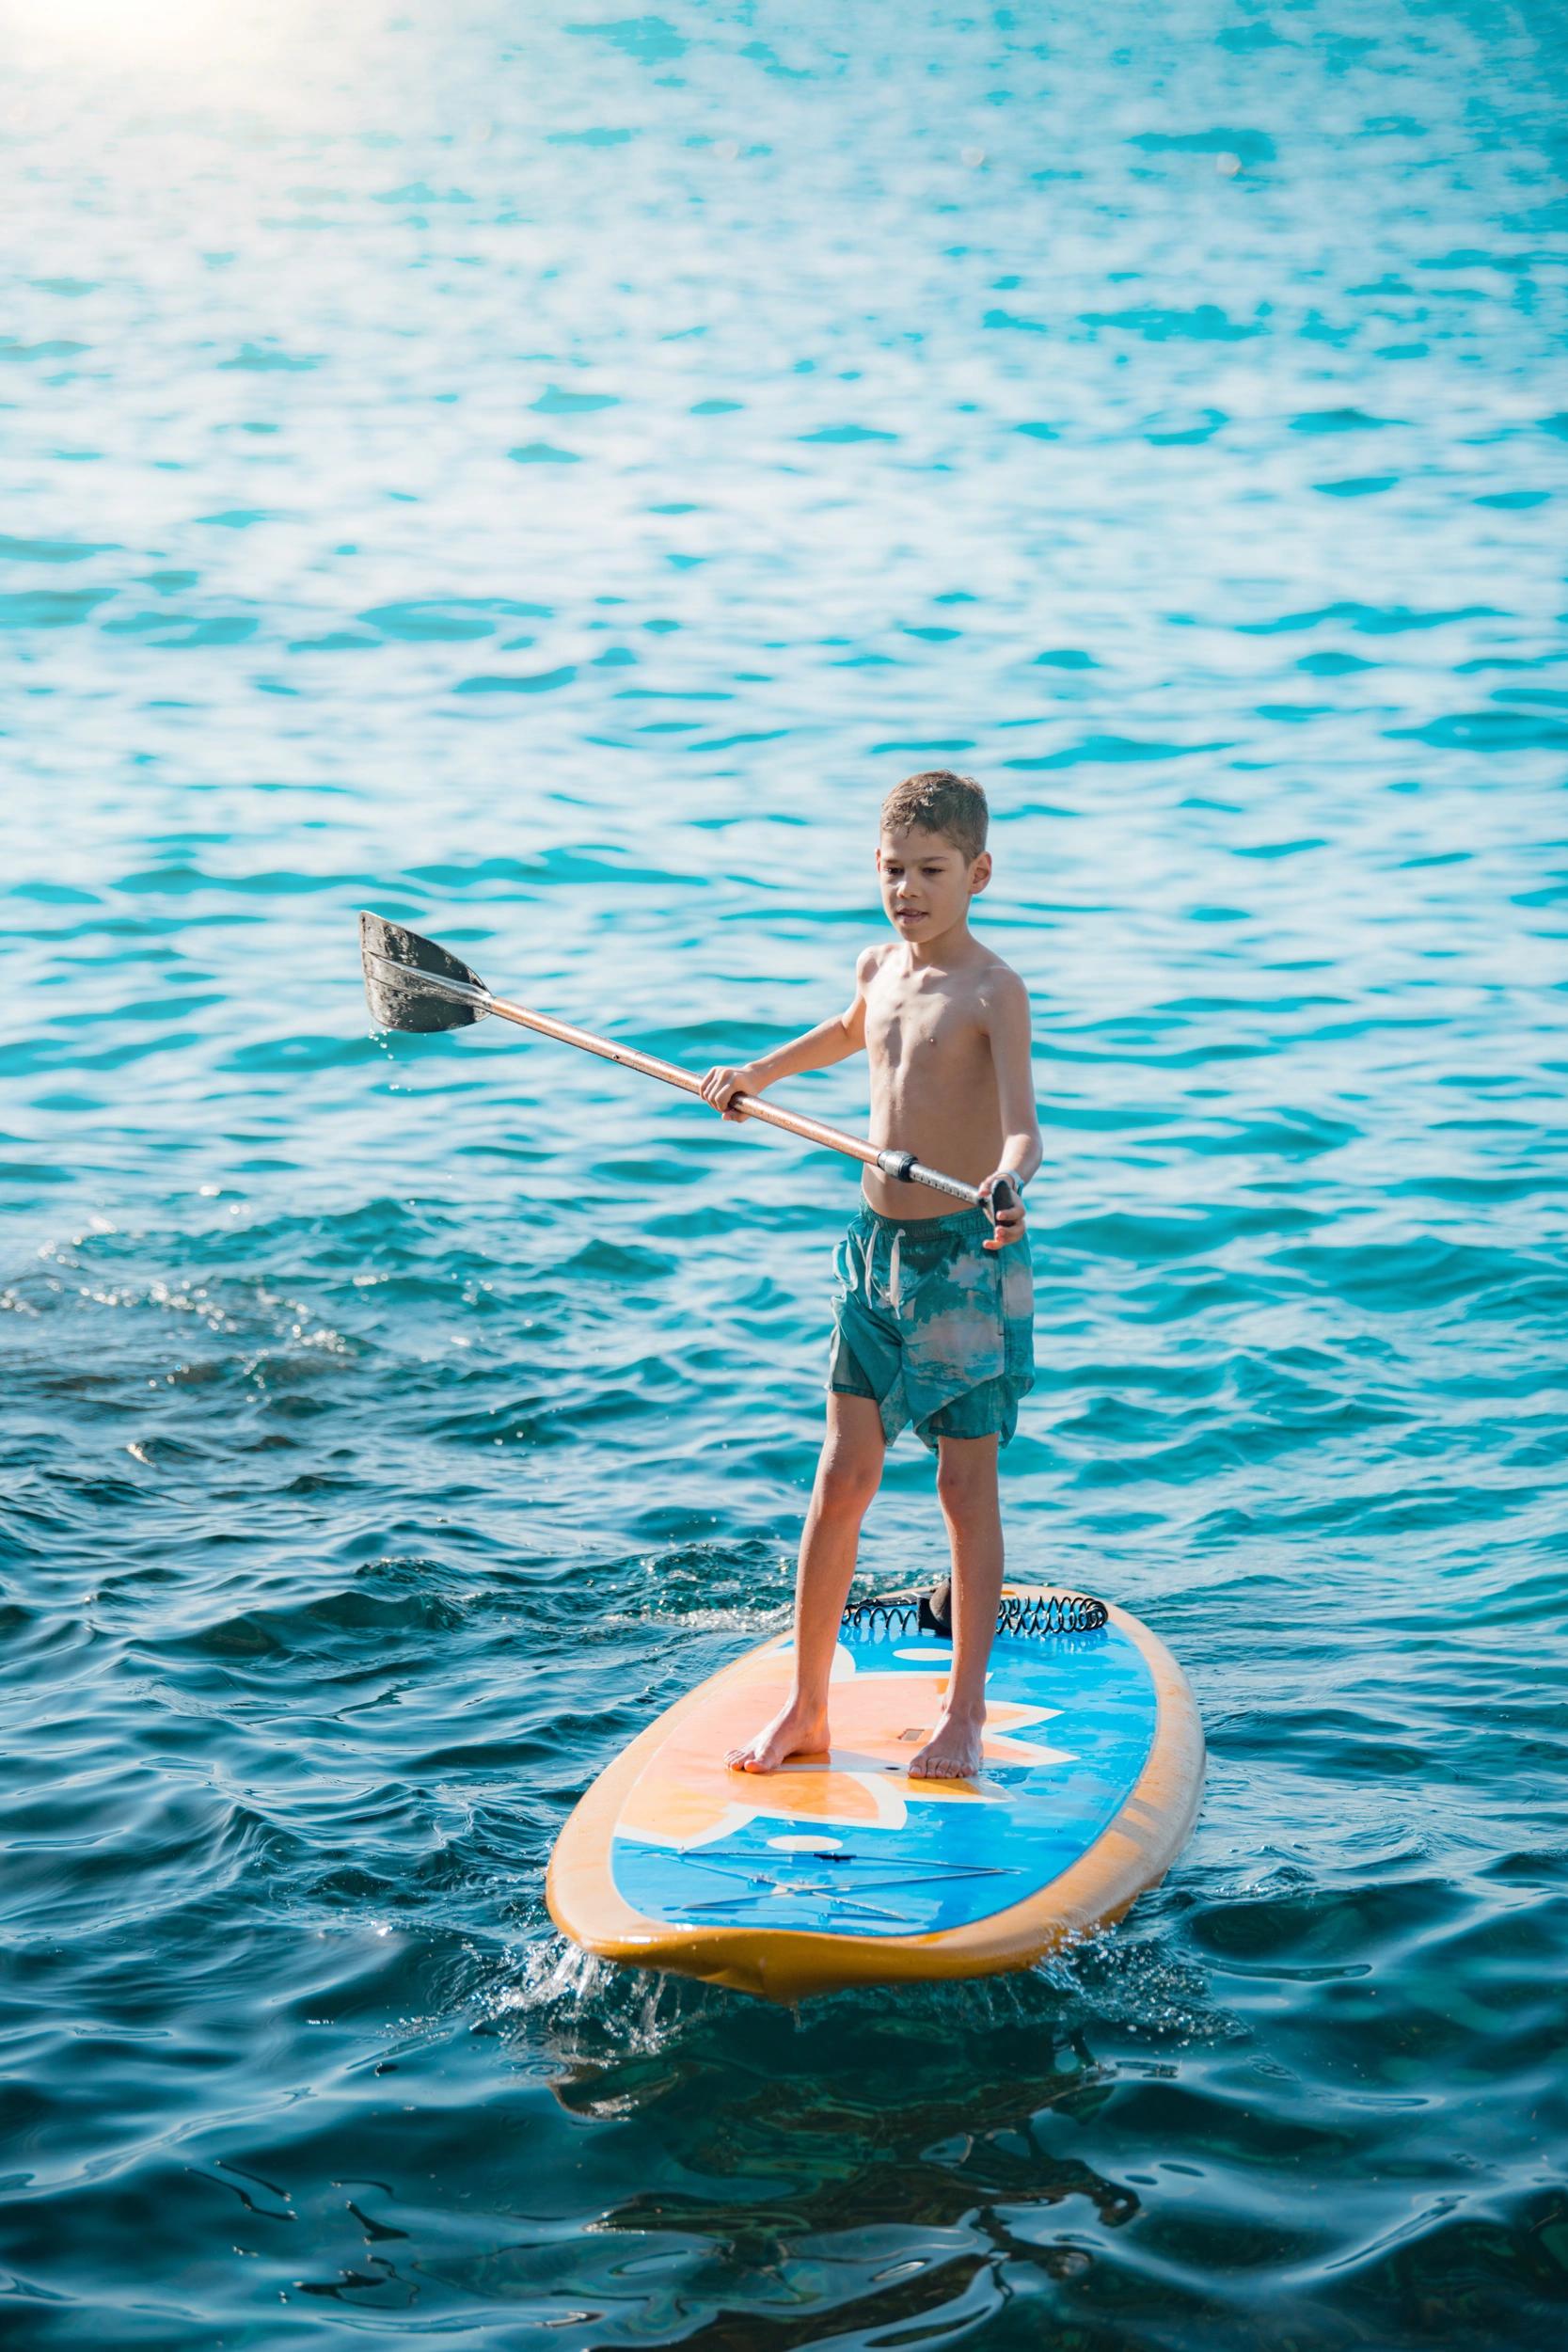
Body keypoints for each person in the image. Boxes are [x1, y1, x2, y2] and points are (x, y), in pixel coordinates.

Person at [699, 770, 1041, 1780]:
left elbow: (1023, 1127)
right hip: (873, 1257)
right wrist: (754, 1075)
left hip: (962, 1263)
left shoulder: (992, 989)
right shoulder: (875, 966)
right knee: (840, 1478)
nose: (908, 890)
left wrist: (1003, 1181)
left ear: (977, 872)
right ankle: (807, 1706)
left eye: (931, 871)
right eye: (892, 870)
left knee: (960, 1485)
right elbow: (848, 1032)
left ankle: (964, 1712)